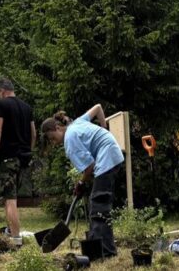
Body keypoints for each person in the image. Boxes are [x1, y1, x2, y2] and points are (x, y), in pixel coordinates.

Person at [40, 103, 124, 258]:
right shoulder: (77, 122)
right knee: (96, 204)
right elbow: (98, 108)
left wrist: (81, 183)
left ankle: (107, 252)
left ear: (58, 128)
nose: (54, 142)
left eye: (52, 138)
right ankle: (97, 245)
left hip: (107, 159)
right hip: (113, 154)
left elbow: (89, 167)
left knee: (99, 206)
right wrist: (105, 130)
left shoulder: (69, 140)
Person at [0, 77, 35, 240]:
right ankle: (10, 232)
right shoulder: (27, 107)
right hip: (24, 158)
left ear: (1, 91)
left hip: (8, 158)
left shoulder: (1, 105)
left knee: (9, 200)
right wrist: (28, 151)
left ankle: (15, 239)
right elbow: (33, 133)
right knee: (12, 198)